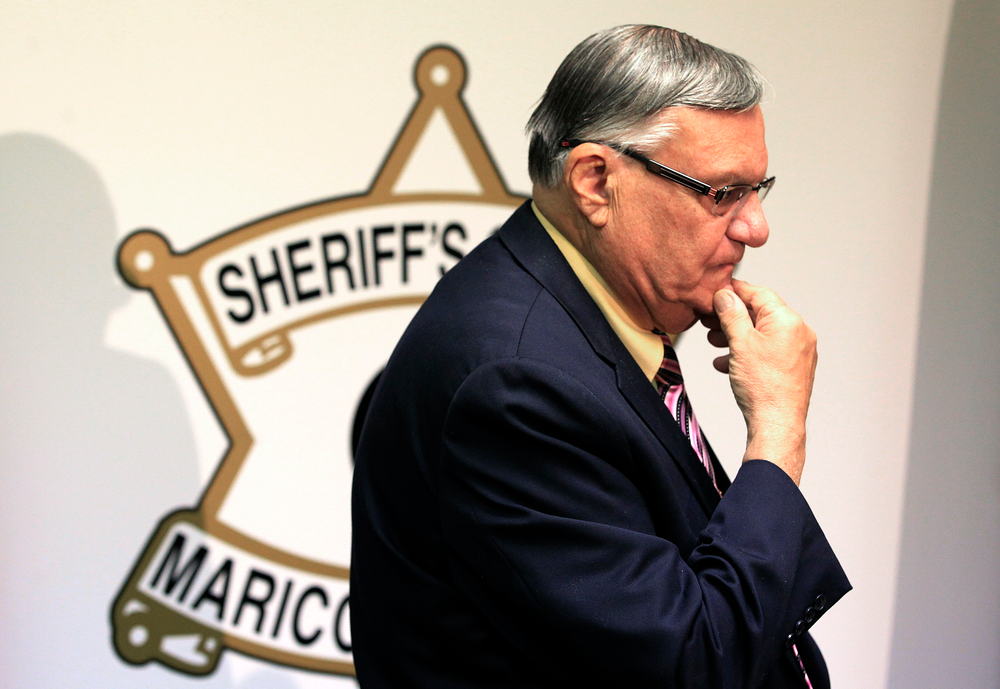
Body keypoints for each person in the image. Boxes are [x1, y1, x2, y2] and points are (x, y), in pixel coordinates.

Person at [350, 25, 851, 689]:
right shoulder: (518, 384)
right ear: (594, 180)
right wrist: (779, 427)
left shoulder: (590, 316)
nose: (755, 227)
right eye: (722, 192)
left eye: (760, 189)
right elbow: (696, 663)